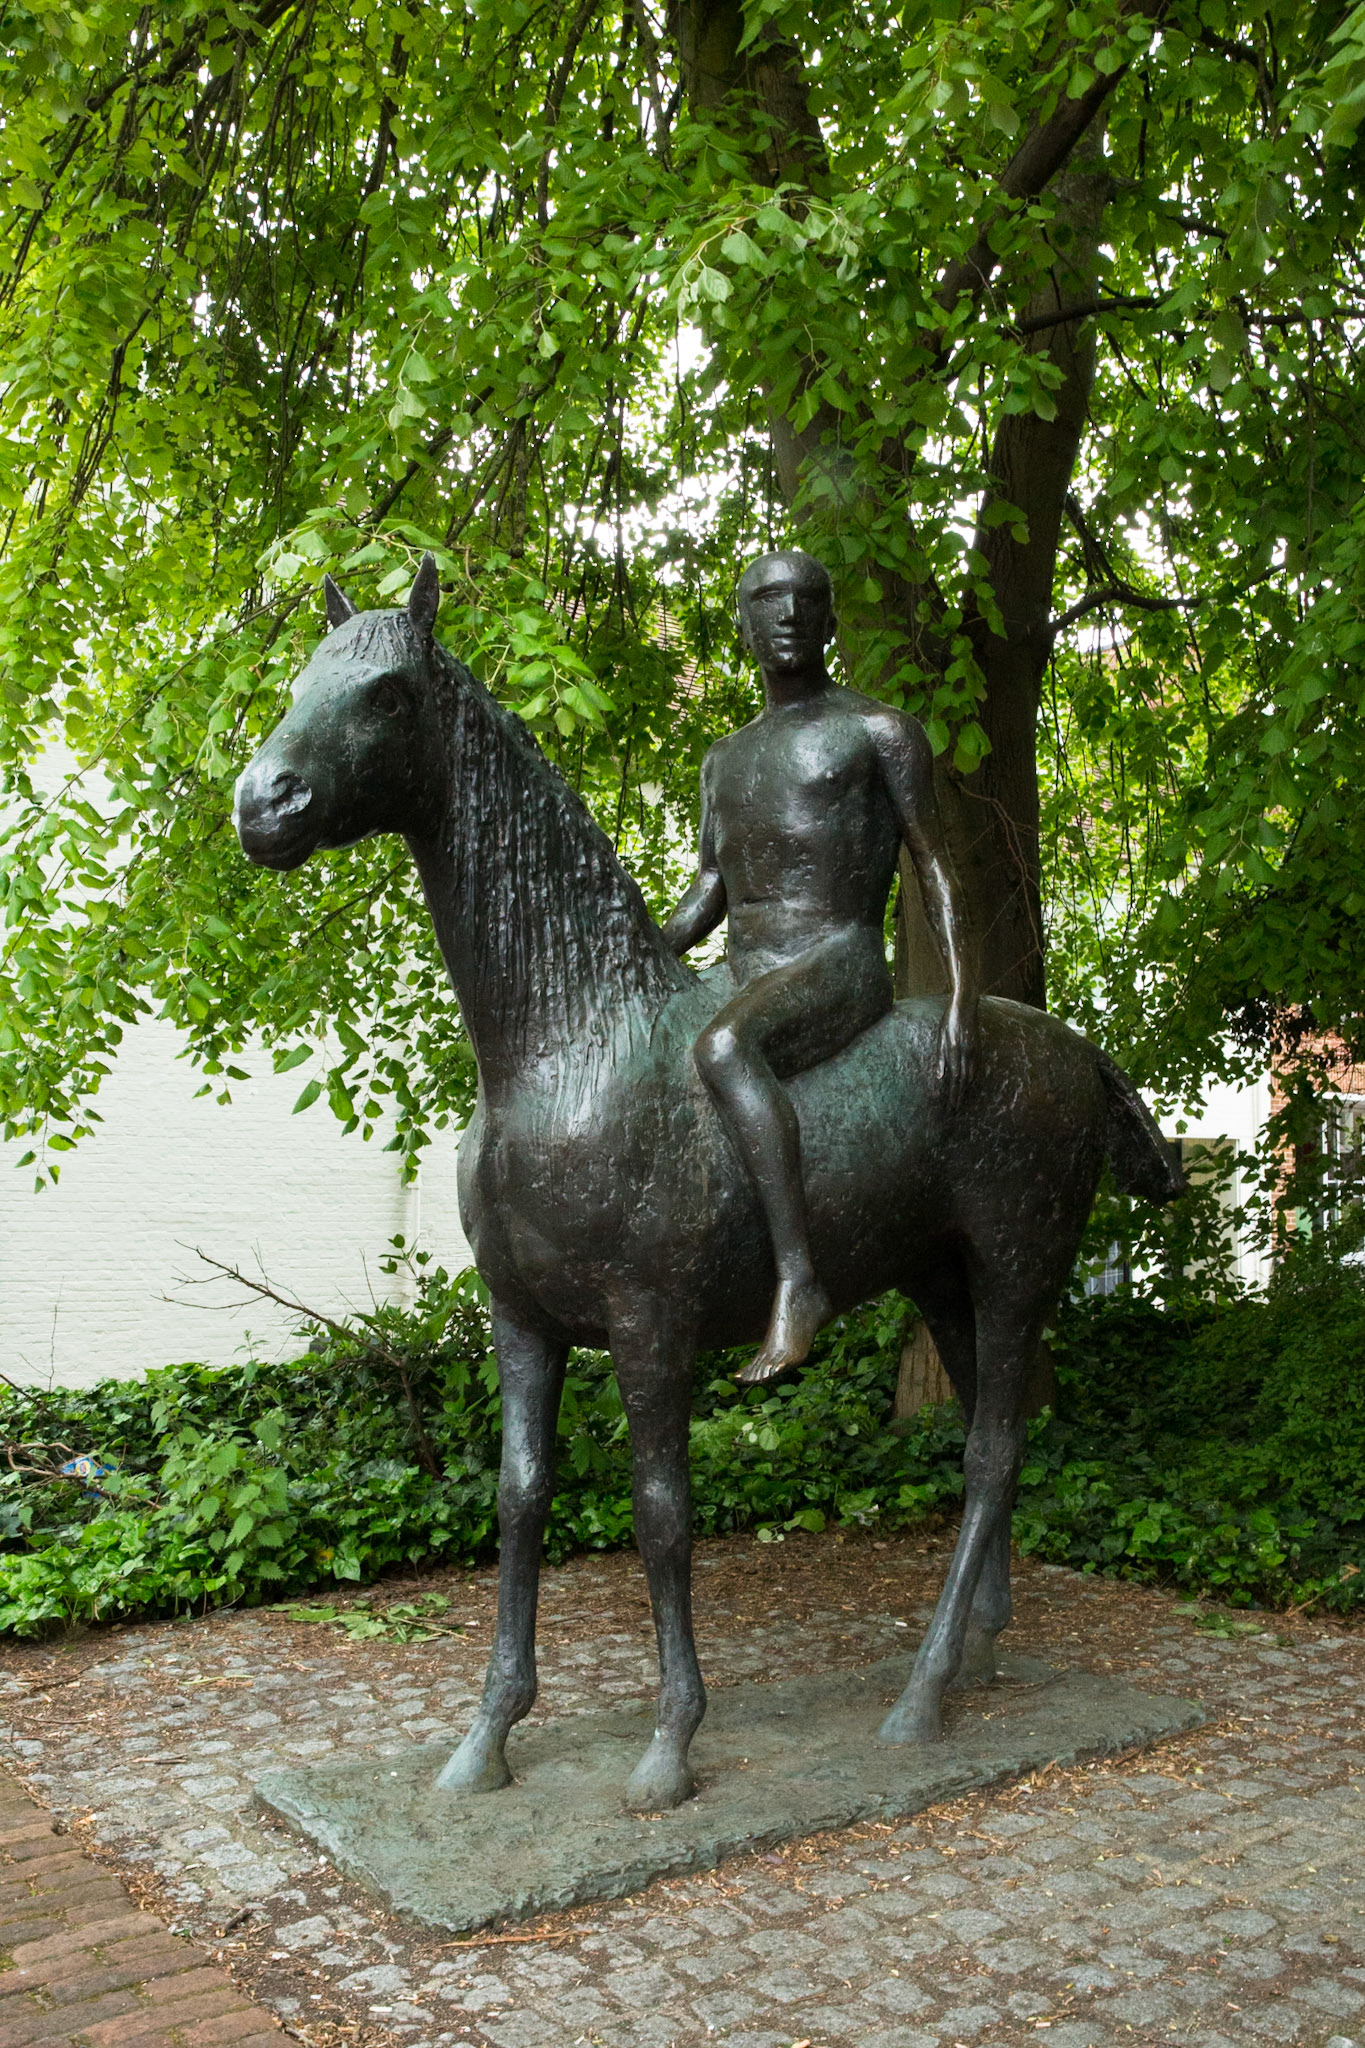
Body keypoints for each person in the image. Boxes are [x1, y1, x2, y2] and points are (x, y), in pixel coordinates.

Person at [661, 549, 979, 1383]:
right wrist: (638, 948)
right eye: (767, 601)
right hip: (746, 969)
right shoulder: (723, 759)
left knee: (725, 1049)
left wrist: (959, 999)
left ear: (831, 620)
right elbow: (706, 896)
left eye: (806, 600)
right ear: (742, 624)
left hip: (835, 960)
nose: (788, 615)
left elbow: (933, 862)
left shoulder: (875, 731)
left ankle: (798, 1281)